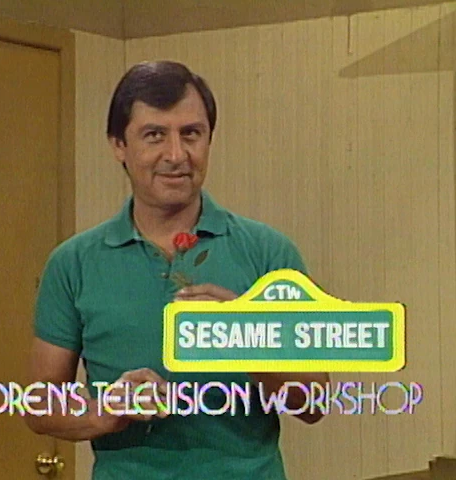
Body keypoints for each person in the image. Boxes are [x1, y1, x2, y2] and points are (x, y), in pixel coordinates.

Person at [25, 60, 329, 479]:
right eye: (154, 135)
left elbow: (315, 402)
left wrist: (245, 337)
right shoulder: (72, 263)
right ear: (118, 145)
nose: (176, 155)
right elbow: (40, 405)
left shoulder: (269, 253)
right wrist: (105, 412)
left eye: (191, 134)